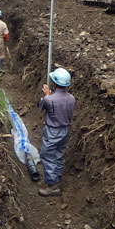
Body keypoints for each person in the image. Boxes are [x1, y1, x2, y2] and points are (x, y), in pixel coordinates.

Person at [38, 68, 76, 197]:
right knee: (58, 153)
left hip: (52, 131)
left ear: (54, 83)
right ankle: (57, 176)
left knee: (47, 155)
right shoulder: (71, 98)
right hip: (64, 130)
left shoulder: (49, 99)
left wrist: (46, 96)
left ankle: (52, 185)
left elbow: (41, 108)